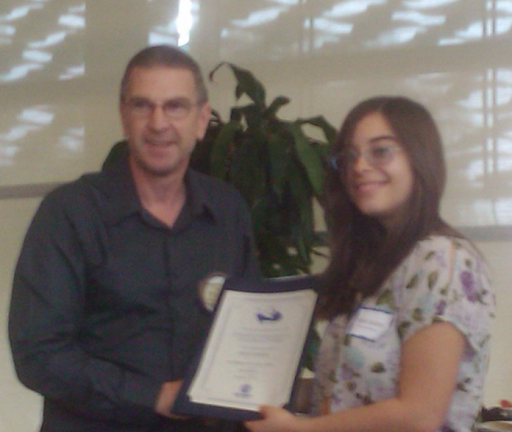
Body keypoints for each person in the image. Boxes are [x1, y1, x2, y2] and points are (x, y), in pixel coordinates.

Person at [9, 45, 259, 432]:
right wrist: (154, 396)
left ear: (201, 119)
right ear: (124, 117)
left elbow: (248, 331)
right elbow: (38, 354)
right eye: (143, 106)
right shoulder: (69, 214)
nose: (158, 123)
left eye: (175, 107)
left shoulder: (228, 211)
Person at [245, 96, 495, 432]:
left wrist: (300, 430)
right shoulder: (374, 266)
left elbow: (420, 415)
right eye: (349, 157)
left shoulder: (443, 262)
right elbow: (347, 389)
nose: (359, 166)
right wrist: (260, 396)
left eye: (381, 151)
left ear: (420, 157)